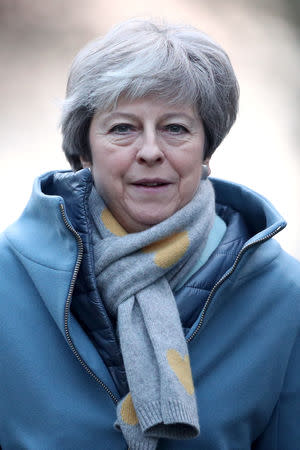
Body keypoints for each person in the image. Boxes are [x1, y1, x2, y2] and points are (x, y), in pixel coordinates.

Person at [0, 18, 299, 450]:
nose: (151, 151)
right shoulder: (9, 282)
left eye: (176, 128)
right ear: (83, 150)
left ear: (206, 150)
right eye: (123, 128)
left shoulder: (283, 297)